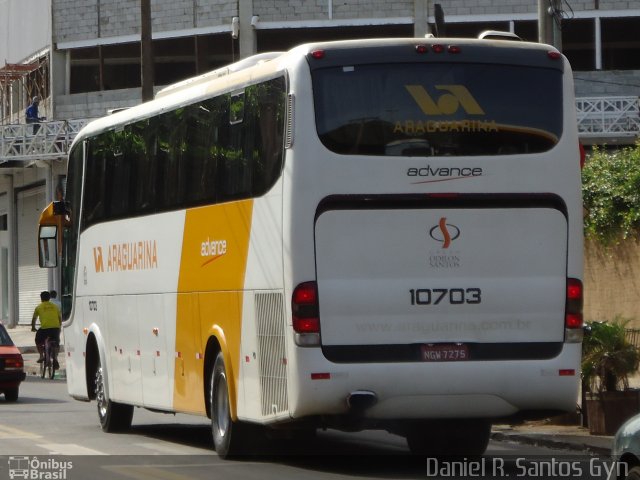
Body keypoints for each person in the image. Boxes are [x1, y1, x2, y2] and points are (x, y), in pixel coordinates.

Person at [31, 291, 61, 368]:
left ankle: (41, 355)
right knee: (56, 343)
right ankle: (56, 358)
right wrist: (59, 327)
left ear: (41, 299)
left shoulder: (38, 307)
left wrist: (33, 327)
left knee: (38, 340)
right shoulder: (55, 306)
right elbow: (59, 318)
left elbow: (34, 319)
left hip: (45, 329)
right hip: (55, 328)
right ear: (49, 298)